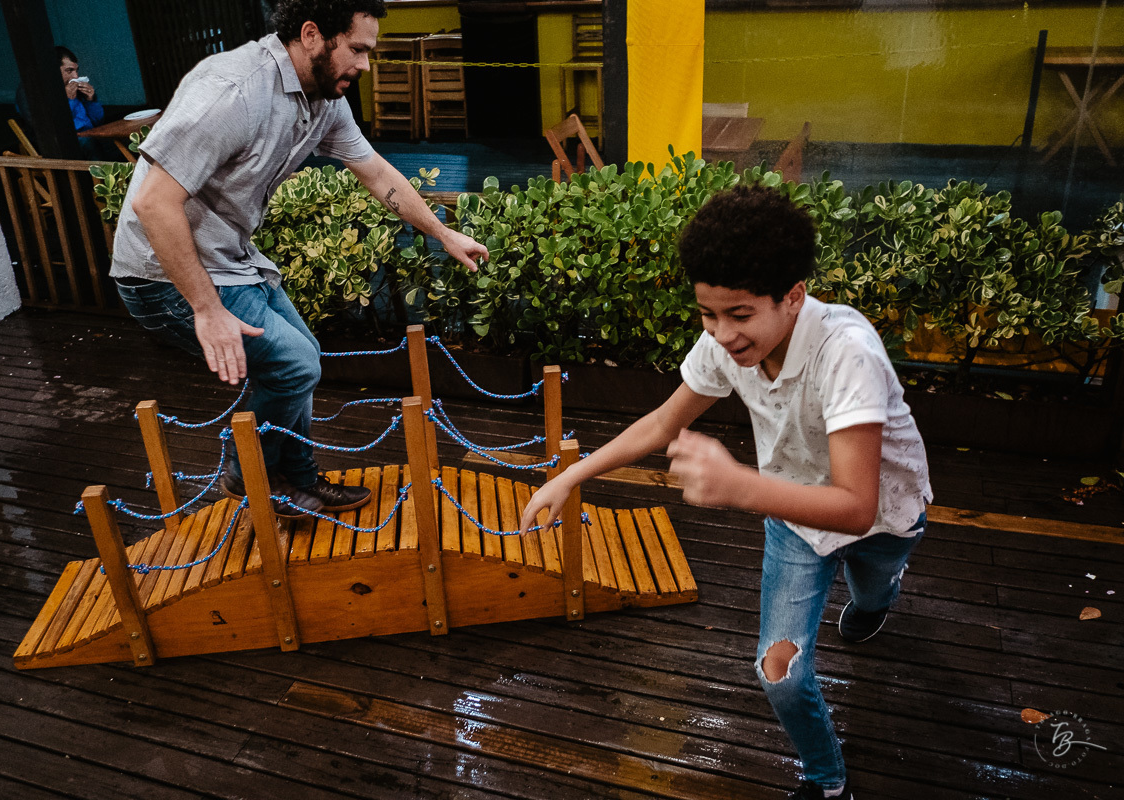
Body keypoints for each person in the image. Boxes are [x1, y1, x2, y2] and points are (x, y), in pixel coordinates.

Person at [519, 186, 932, 800]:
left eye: (739, 315)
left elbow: (856, 506)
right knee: (780, 676)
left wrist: (738, 484)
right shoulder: (725, 344)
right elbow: (662, 424)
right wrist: (570, 476)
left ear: (792, 297)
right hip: (790, 520)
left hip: (884, 519)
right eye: (707, 314)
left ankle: (877, 600)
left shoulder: (846, 353)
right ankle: (826, 781)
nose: (722, 334)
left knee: (871, 589)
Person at [108, 0, 487, 517]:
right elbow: (153, 202)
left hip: (229, 256)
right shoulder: (234, 91)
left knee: (301, 357)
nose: (365, 66)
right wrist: (207, 310)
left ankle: (298, 480)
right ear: (311, 34)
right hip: (161, 273)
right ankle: (254, 478)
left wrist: (444, 234)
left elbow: (375, 171)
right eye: (357, 49)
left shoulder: (323, 99)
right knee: (293, 364)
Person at [16, 46, 105, 135]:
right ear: (53, 70)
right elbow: (52, 130)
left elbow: (97, 121)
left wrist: (91, 101)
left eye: (76, 70)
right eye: (69, 70)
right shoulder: (31, 92)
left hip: (91, 136)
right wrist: (68, 101)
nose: (76, 76)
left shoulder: (72, 88)